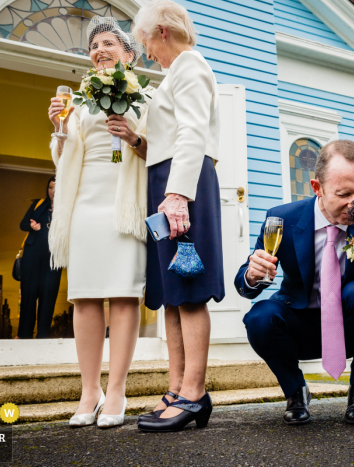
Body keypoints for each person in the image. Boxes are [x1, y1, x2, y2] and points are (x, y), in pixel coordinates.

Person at [236, 140, 354, 426]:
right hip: (300, 324)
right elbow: (246, 286)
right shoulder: (281, 219)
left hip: (352, 325)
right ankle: (296, 392)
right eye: (344, 194)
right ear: (317, 187)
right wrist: (252, 273)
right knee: (260, 317)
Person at [47, 17, 150, 429]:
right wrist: (58, 127)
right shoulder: (80, 99)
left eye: (109, 43)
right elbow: (63, 158)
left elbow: (159, 156)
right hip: (85, 208)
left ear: (129, 55)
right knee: (85, 298)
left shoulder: (147, 99)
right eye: (93, 45)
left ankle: (118, 390)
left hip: (124, 207)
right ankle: (89, 390)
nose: (99, 49)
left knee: (123, 296)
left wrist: (132, 138)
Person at [132, 0, 224, 432]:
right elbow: (170, 137)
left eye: (146, 42)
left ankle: (194, 393)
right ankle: (176, 388)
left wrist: (176, 195)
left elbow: (192, 132)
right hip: (170, 183)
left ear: (163, 32)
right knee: (172, 291)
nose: (147, 52)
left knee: (189, 288)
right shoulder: (176, 72)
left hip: (180, 187)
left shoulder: (189, 65)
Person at [17, 176, 62, 339]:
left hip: (54, 260)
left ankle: (43, 335)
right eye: (51, 188)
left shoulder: (65, 208)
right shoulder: (37, 204)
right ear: (47, 189)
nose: (53, 192)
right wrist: (31, 226)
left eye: (57, 188)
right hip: (32, 256)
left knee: (48, 295)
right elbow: (22, 224)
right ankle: (24, 334)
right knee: (29, 294)